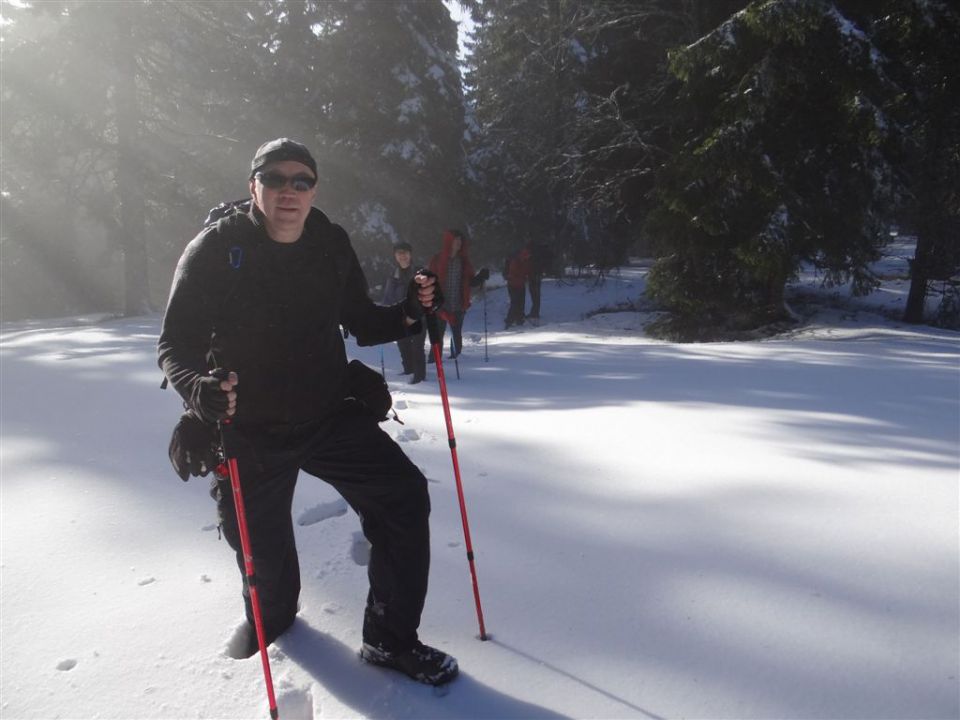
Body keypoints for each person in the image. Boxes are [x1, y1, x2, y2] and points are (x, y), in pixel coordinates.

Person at [158, 138, 458, 686]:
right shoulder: (216, 250)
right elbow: (174, 345)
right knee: (267, 573)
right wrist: (198, 390)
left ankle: (390, 641)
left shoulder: (329, 242)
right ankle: (272, 621)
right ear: (254, 186)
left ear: (315, 188)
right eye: (275, 179)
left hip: (326, 414)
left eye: (302, 180)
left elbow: (364, 322)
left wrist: (412, 314)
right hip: (247, 429)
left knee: (404, 497)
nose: (289, 191)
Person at [381, 241, 426, 384]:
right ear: (395, 256)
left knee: (417, 347)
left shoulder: (419, 271)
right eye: (399, 253)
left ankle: (420, 378)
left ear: (410, 254)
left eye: (405, 253)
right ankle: (408, 371)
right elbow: (388, 297)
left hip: (418, 316)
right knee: (403, 346)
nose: (402, 256)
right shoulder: (393, 275)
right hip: (399, 316)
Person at [428, 229, 474, 359]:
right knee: (437, 336)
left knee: (456, 335)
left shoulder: (464, 261)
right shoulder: (437, 259)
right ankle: (434, 362)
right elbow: (430, 281)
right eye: (456, 239)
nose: (459, 243)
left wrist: (481, 277)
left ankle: (457, 358)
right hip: (440, 306)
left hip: (458, 304)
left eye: (460, 240)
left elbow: (470, 280)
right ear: (449, 241)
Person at [504, 246, 531, 329]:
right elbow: (514, 274)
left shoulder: (525, 262)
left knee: (521, 303)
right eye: (526, 256)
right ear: (522, 255)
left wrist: (525, 277)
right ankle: (509, 321)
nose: (527, 258)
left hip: (520, 284)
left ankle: (519, 319)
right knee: (514, 303)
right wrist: (522, 277)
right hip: (513, 285)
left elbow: (526, 271)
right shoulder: (515, 262)